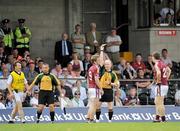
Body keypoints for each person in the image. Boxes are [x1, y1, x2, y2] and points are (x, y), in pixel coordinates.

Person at [96, 45, 119, 123]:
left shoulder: (113, 74)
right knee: (98, 105)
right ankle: (97, 119)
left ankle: (110, 120)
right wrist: (101, 50)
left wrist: (111, 83)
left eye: (108, 64)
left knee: (110, 106)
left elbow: (117, 84)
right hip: (101, 90)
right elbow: (101, 60)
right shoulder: (102, 70)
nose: (106, 65)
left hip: (109, 90)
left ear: (110, 65)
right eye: (105, 64)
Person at [86, 46, 104, 123]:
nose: (100, 60)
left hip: (90, 87)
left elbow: (87, 79)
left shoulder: (91, 68)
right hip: (94, 88)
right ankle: (90, 118)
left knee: (92, 104)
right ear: (95, 61)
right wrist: (101, 88)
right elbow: (96, 80)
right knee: (94, 104)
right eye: (99, 59)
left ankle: (89, 117)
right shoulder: (96, 68)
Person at [152, 52, 171, 122]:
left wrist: (158, 81)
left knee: (159, 102)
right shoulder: (162, 63)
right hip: (165, 84)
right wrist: (166, 79)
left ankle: (163, 119)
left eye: (152, 57)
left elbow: (159, 73)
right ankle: (157, 118)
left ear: (154, 57)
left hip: (160, 85)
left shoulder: (157, 64)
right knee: (157, 101)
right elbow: (169, 70)